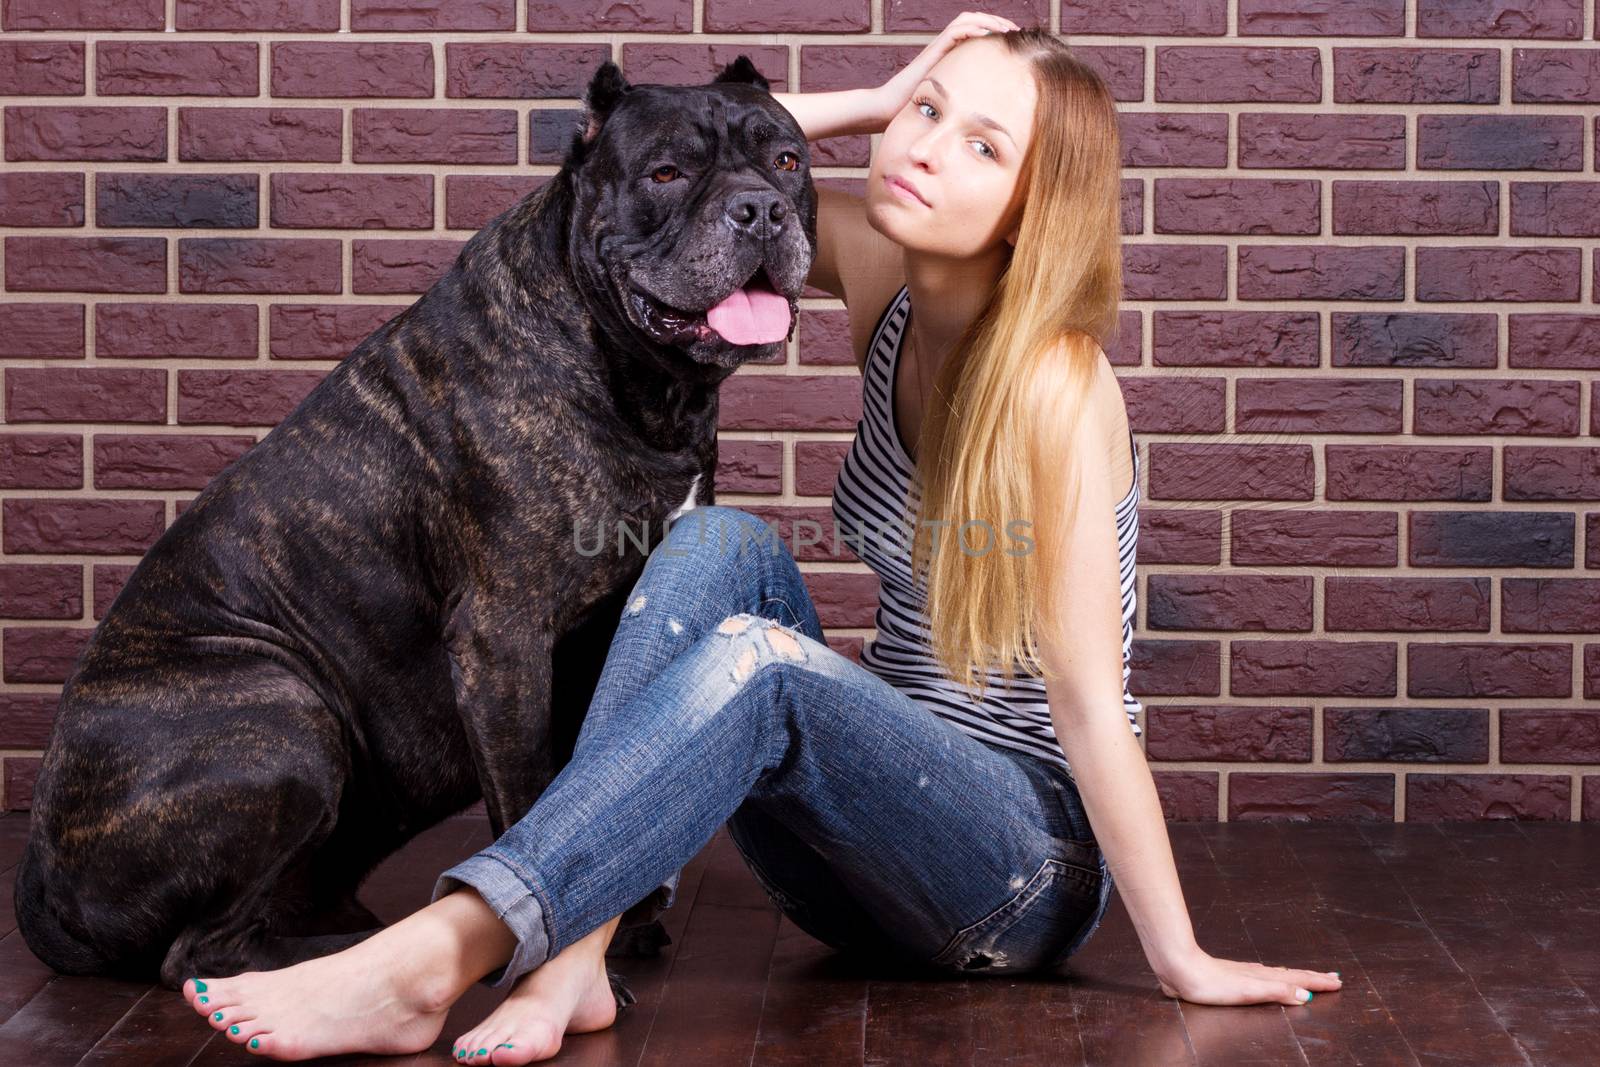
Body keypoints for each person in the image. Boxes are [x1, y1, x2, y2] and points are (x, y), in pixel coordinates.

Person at [179, 13, 1342, 1062]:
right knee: (712, 546)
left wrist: (1180, 956)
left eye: (983, 145)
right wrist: (881, 97)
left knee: (770, 664)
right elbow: (710, 163)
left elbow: (1091, 704)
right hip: (854, 864)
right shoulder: (884, 266)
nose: (925, 148)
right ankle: (576, 955)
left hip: (1016, 872)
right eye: (928, 113)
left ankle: (444, 950)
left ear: (1037, 211)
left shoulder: (1055, 388)